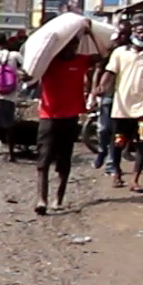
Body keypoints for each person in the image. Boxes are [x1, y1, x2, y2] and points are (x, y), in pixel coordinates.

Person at [35, 36, 95, 215]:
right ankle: (41, 199)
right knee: (43, 161)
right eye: (68, 46)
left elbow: (103, 53)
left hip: (70, 117)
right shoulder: (47, 63)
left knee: (64, 161)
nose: (71, 49)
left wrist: (89, 32)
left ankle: (58, 198)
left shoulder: (81, 61)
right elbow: (30, 70)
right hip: (48, 117)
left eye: (74, 46)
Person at [104, 26, 143, 192]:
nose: (140, 34)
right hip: (122, 107)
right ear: (132, 33)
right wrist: (99, 88)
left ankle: (135, 180)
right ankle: (117, 174)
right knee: (118, 141)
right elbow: (109, 73)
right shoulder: (120, 53)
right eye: (137, 31)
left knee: (142, 140)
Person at [92, 24, 131, 171]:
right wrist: (95, 89)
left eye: (123, 34)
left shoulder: (133, 52)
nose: (120, 37)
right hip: (108, 94)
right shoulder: (110, 51)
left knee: (119, 133)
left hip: (125, 97)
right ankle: (102, 151)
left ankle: (113, 162)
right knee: (104, 129)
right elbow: (98, 70)